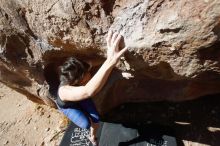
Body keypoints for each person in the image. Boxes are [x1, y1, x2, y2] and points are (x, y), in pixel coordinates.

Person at [55, 30, 128, 146]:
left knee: (95, 119)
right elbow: (88, 91)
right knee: (85, 124)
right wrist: (111, 61)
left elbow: (94, 66)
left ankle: (93, 137)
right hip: (69, 106)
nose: (90, 74)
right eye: (87, 75)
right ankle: (90, 131)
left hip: (81, 96)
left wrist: (110, 54)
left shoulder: (79, 70)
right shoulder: (64, 91)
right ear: (79, 80)